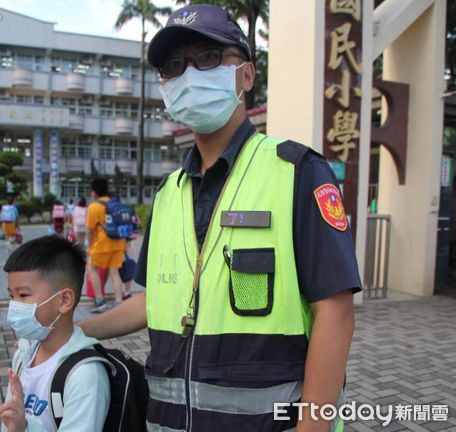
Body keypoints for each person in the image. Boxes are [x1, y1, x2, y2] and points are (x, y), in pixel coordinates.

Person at [79, 4, 362, 432]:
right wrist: (78, 329)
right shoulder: (168, 193)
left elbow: (335, 312)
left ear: (246, 76)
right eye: (174, 66)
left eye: (208, 58)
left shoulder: (297, 172)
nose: (189, 75)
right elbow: (151, 300)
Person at [0, 236, 110, 432]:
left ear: (64, 300)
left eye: (23, 295)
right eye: (11, 296)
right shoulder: (24, 354)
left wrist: (24, 429)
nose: (13, 305)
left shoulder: (84, 375)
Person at [86, 178, 126, 313]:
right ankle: (119, 301)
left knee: (92, 269)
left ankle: (100, 301)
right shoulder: (115, 203)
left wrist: (90, 247)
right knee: (115, 272)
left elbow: (91, 231)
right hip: (119, 243)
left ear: (94, 192)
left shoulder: (94, 207)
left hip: (101, 245)